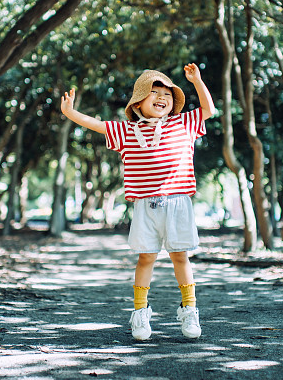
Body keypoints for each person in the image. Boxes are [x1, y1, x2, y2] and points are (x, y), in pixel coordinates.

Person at [60, 64, 216, 340]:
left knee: (180, 256)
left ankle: (189, 308)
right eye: (154, 92)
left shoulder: (183, 123)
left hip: (179, 202)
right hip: (146, 205)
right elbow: (97, 125)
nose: (162, 97)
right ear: (137, 103)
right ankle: (140, 313)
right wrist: (71, 113)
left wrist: (197, 81)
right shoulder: (127, 131)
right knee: (146, 258)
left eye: (167, 94)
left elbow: (208, 110)